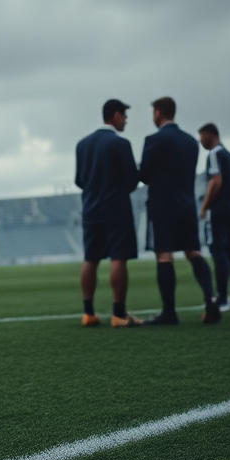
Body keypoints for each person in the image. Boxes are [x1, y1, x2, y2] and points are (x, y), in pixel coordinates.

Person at [138, 97, 220, 325]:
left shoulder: (153, 140)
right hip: (186, 204)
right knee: (193, 253)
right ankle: (210, 299)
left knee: (164, 256)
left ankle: (169, 312)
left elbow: (144, 175)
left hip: (162, 206)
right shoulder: (191, 142)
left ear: (157, 113)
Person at [74, 98, 144, 327]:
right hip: (116, 210)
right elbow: (133, 181)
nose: (126, 121)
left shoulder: (82, 144)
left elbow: (79, 180)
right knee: (118, 258)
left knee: (90, 259)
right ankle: (119, 314)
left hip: (91, 210)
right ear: (115, 116)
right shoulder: (120, 144)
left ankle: (88, 313)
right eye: (124, 116)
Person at [197, 123, 230, 312]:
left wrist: (205, 206)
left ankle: (221, 298)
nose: (200, 141)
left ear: (211, 135)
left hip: (218, 209)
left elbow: (215, 181)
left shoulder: (214, 154)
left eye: (202, 136)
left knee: (218, 251)